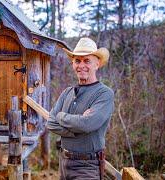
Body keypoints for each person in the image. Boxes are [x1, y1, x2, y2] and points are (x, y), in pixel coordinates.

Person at [46, 37, 114, 180]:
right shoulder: (67, 92)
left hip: (87, 166)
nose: (81, 65)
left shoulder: (104, 93)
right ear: (73, 64)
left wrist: (61, 116)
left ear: (97, 64)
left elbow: (87, 124)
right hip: (64, 163)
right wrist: (77, 128)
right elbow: (50, 122)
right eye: (77, 61)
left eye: (87, 61)